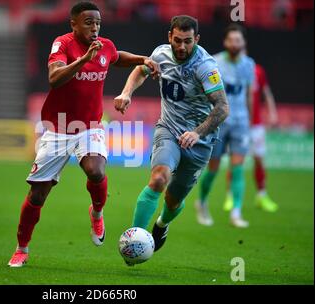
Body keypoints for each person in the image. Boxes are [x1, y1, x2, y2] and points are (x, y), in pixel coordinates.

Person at [8, 1, 159, 268]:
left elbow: (115, 56)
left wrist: (142, 59)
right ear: (74, 24)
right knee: (38, 196)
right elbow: (55, 79)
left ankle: (97, 212)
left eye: (98, 23)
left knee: (96, 171)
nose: (94, 27)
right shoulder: (63, 45)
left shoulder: (104, 46)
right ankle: (22, 248)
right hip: (58, 128)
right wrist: (83, 60)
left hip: (89, 126)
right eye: (88, 22)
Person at [114, 15, 229, 261]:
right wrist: (126, 93)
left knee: (173, 200)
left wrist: (197, 132)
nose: (182, 47)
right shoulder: (160, 54)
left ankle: (162, 224)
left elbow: (222, 108)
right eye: (177, 40)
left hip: (200, 142)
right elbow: (141, 70)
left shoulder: (206, 67)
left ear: (196, 39)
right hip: (168, 129)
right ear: (170, 37)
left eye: (188, 41)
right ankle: (134, 241)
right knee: (158, 179)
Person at [195, 23, 255, 228]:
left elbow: (248, 94)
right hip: (219, 122)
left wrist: (249, 121)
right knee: (213, 168)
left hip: (241, 122)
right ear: (225, 42)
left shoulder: (249, 65)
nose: (235, 44)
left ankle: (236, 212)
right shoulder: (215, 62)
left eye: (238, 40)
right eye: (231, 40)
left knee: (238, 167)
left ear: (243, 42)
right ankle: (201, 203)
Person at [222, 63, 279, 213]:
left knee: (259, 159)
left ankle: (262, 195)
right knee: (235, 161)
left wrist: (272, 112)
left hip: (256, 125)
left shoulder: (258, 70)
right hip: (237, 123)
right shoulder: (230, 70)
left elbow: (266, 92)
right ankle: (230, 196)